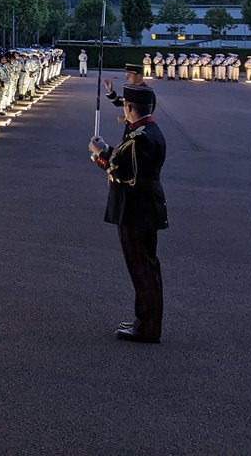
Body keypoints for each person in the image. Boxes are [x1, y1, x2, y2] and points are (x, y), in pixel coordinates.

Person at [88, 84, 168, 343]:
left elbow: (124, 173)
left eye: (125, 104)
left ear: (130, 108)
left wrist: (100, 154)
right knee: (144, 268)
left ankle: (148, 326)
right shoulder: (145, 131)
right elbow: (126, 161)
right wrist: (108, 152)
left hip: (136, 210)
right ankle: (144, 318)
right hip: (141, 208)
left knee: (143, 270)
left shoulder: (141, 138)